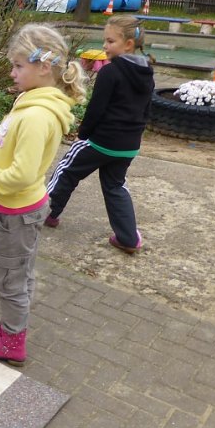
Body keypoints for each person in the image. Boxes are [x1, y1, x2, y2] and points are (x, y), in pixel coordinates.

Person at [0, 24, 87, 365]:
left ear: (43, 67)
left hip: (17, 211)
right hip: (14, 208)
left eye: (18, 65)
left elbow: (20, 175)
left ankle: (13, 343)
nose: (12, 72)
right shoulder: (32, 102)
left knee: (12, 278)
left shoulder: (37, 115)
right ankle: (10, 327)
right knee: (15, 273)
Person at [45, 14, 154, 254]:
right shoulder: (147, 72)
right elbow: (146, 109)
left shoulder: (110, 72)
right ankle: (128, 238)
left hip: (101, 141)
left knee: (66, 171)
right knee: (115, 186)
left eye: (110, 41)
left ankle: (46, 213)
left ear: (128, 44)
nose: (104, 46)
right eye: (105, 40)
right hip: (128, 146)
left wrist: (83, 135)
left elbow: (96, 109)